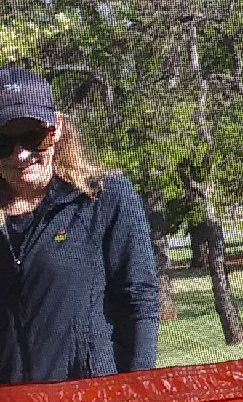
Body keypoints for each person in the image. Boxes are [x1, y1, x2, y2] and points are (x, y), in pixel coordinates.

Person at [0, 70, 158, 384]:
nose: (21, 154)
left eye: (34, 135)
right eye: (2, 141)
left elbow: (139, 299)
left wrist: (138, 397)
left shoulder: (105, 197)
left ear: (56, 129)